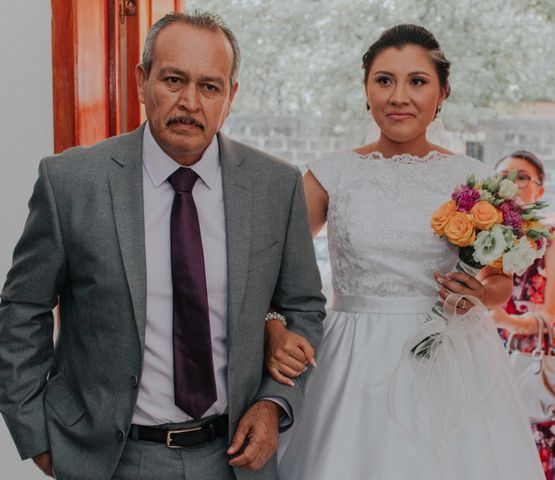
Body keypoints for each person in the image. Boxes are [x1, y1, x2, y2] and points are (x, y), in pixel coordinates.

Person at [0, 11, 324, 480]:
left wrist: (275, 402)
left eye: (210, 87)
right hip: (108, 459)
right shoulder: (70, 181)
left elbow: (304, 308)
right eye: (173, 79)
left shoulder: (277, 185)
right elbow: (22, 309)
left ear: (230, 97)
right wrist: (36, 433)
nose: (190, 102)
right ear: (142, 81)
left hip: (233, 458)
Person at [264, 24, 544, 479]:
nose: (399, 96)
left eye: (417, 81)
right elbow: (271, 268)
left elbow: (501, 283)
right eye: (384, 80)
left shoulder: (475, 180)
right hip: (352, 360)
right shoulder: (329, 175)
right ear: (366, 91)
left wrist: (476, 294)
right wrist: (274, 326)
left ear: (442, 93)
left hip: (451, 361)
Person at [492, 150, 555, 479]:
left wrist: (501, 320)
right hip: (496, 357)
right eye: (504, 177)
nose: (512, 184)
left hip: (540, 359)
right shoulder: (488, 239)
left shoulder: (553, 240)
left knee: (543, 456)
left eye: (522, 177)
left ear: (540, 190)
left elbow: (550, 317)